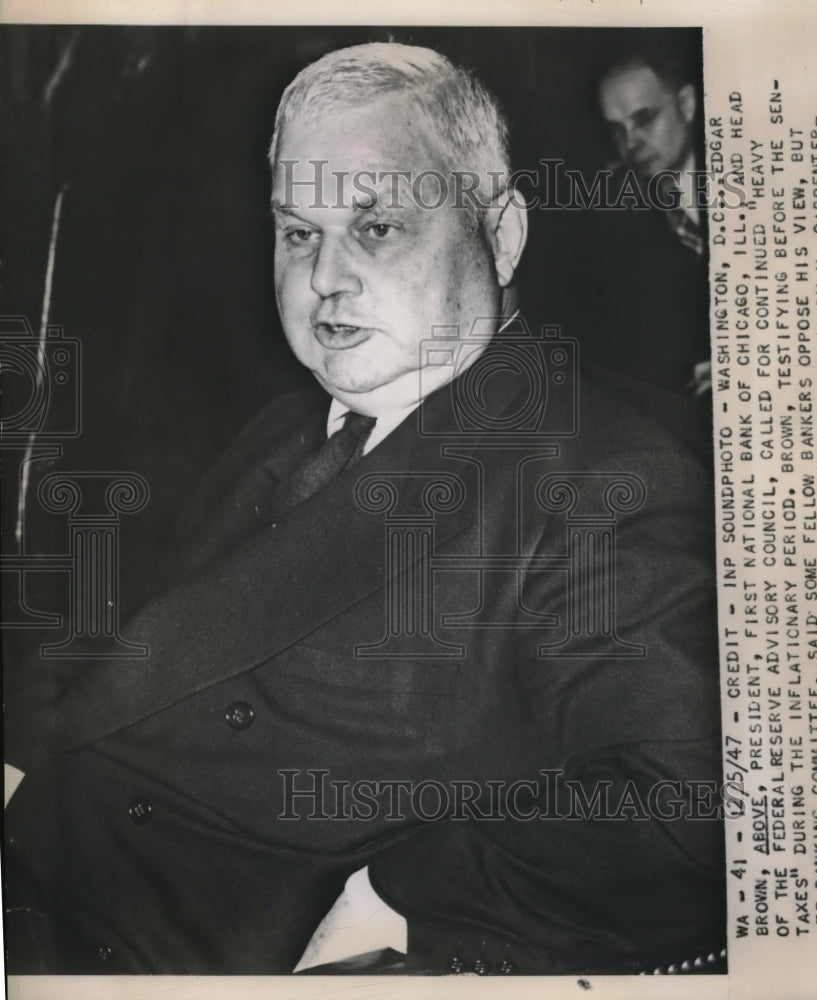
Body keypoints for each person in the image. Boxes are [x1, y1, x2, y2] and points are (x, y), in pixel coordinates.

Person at [4, 41, 725, 976]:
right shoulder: (281, 429)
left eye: (376, 227)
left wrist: (391, 903)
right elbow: (123, 646)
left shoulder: (599, 471)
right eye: (299, 232)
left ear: (501, 235)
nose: (323, 281)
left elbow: (687, 807)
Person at [564, 47, 711, 400]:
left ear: (687, 105)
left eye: (644, 120)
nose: (630, 143)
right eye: (617, 130)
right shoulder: (617, 211)